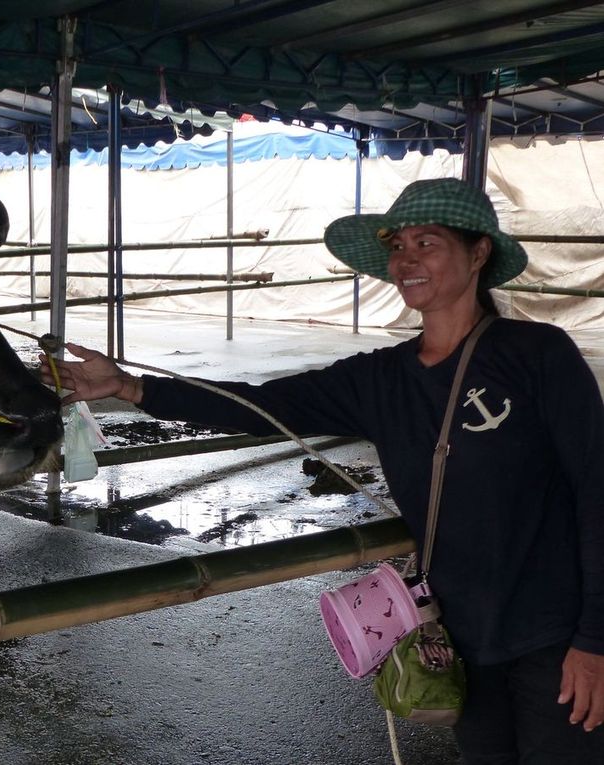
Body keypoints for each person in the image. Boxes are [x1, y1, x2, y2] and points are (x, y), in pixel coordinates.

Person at [40, 178, 604, 764]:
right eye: (397, 246)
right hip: (454, 635)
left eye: (427, 242)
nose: (406, 259)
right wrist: (131, 388)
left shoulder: (537, 355)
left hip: (556, 636)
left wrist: (595, 640)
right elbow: (261, 407)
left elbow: (596, 491)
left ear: (479, 252)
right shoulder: (377, 379)